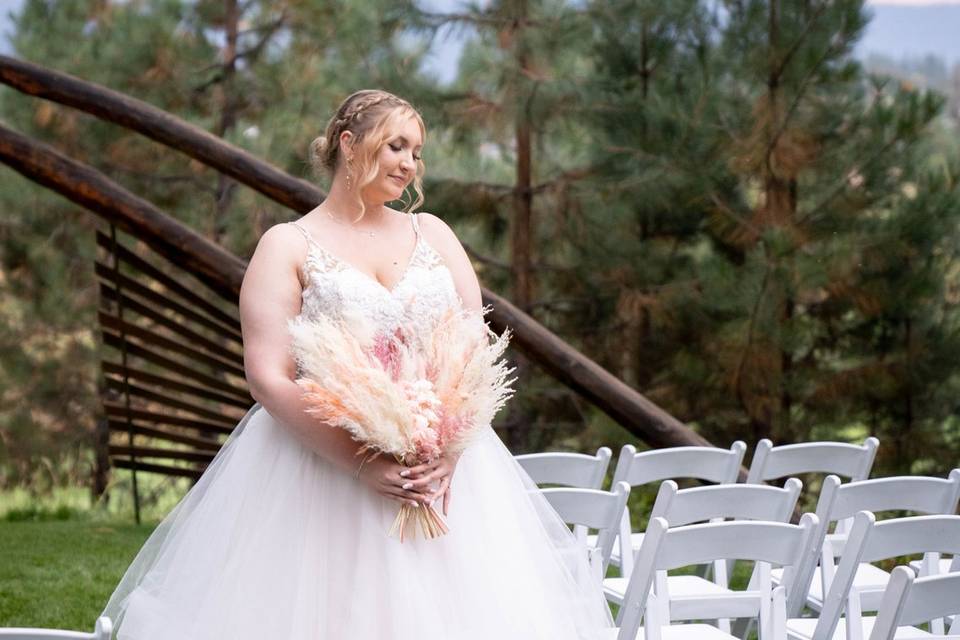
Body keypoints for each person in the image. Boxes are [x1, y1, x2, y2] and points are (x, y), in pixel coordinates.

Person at [101, 89, 614, 639]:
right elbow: (268, 378)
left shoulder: (433, 233)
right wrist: (364, 463)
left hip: (448, 472)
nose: (409, 163)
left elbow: (472, 349)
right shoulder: (287, 246)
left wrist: (450, 452)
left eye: (416, 151)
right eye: (396, 145)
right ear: (349, 144)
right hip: (322, 471)